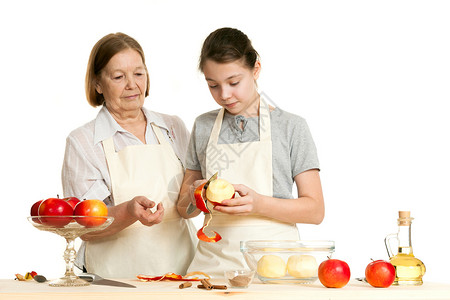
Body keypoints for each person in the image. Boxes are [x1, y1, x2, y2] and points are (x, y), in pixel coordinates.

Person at [177, 27, 324, 277]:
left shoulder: (291, 127)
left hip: (274, 267)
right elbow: (183, 209)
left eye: (234, 82)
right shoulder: (203, 126)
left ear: (255, 69)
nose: (224, 95)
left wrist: (258, 203)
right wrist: (194, 196)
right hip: (212, 268)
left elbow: (315, 210)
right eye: (213, 85)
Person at [62, 32, 196, 278]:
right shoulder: (83, 142)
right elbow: (83, 227)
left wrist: (200, 196)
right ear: (98, 84)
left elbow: (186, 207)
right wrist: (128, 212)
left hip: (181, 273)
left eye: (138, 73)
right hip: (111, 279)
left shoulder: (174, 128)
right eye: (118, 77)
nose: (132, 84)